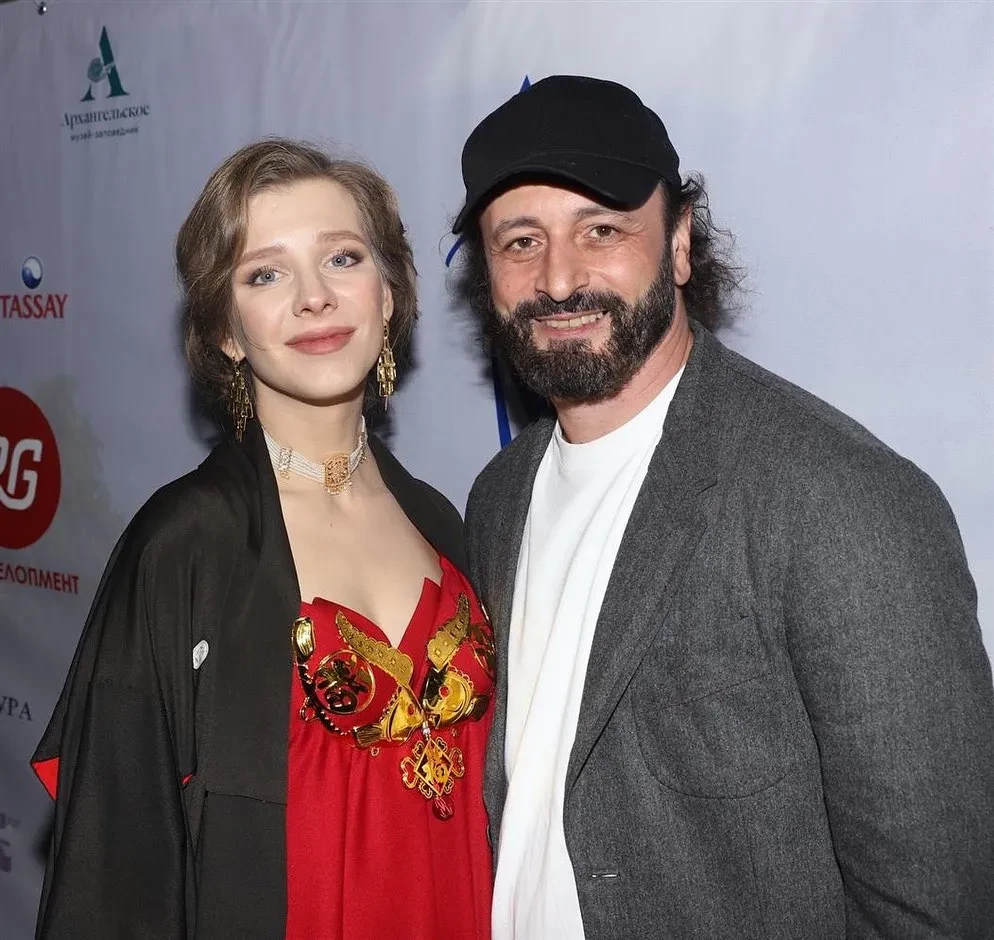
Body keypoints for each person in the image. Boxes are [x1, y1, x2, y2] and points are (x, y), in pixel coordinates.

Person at [451, 75, 994, 939]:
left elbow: (934, 907)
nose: (558, 278)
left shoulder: (839, 498)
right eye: (521, 241)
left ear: (678, 245)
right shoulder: (496, 499)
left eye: (602, 230)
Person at [32, 139, 494, 939]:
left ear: (388, 295)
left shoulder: (443, 523)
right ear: (226, 330)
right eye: (266, 274)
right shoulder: (182, 546)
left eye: (342, 258)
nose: (314, 297)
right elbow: (113, 873)